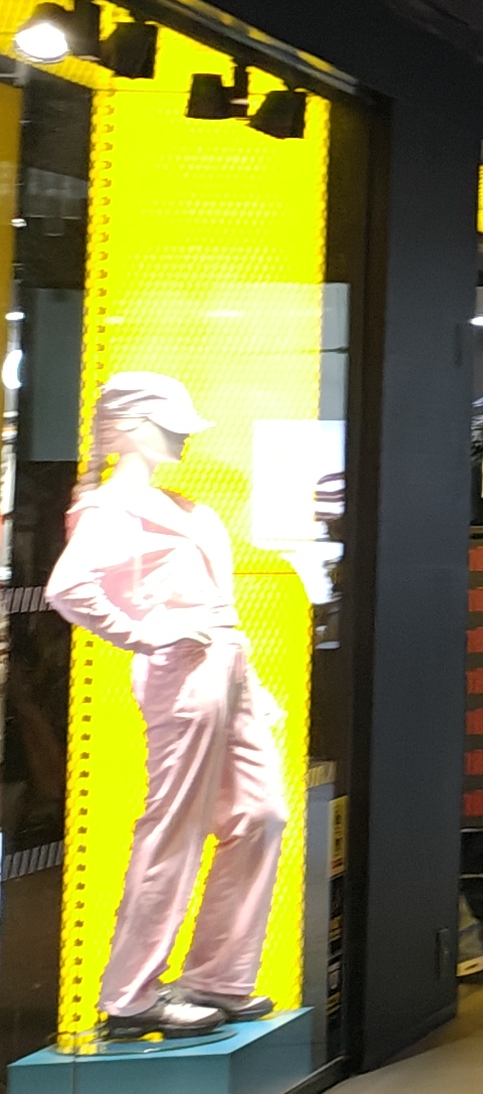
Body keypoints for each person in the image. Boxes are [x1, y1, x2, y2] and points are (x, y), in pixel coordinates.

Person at [44, 373, 286, 1040]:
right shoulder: (113, 509)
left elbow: (215, 603)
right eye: (166, 425)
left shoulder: (174, 505)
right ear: (129, 427)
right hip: (184, 673)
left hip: (224, 668)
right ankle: (130, 995)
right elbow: (69, 588)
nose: (180, 437)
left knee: (262, 814)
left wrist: (250, 684)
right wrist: (149, 633)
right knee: (173, 830)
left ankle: (219, 976)